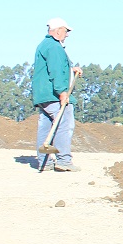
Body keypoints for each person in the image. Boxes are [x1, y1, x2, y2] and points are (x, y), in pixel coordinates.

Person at [32, 17, 83, 172]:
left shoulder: (45, 45)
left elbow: (55, 67)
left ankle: (44, 162)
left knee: (46, 126)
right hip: (53, 94)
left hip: (43, 94)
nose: (67, 34)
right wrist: (62, 92)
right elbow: (55, 70)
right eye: (66, 31)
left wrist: (71, 70)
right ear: (58, 30)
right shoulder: (54, 47)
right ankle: (64, 160)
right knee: (64, 123)